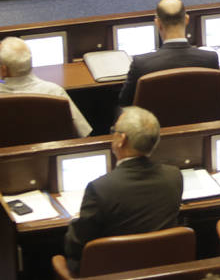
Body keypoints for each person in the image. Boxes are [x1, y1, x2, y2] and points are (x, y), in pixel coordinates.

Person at [62, 106, 182, 275]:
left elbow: (75, 246)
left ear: (121, 140)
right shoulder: (174, 176)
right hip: (159, 272)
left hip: (110, 273)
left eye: (114, 130)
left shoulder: (100, 188)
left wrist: (75, 221)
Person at [0, 36, 89, 135]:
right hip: (47, 155)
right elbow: (82, 130)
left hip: (1, 159)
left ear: (3, 69)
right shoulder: (54, 92)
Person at [118, 0, 218, 106]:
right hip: (202, 122)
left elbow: (125, 103)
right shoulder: (210, 59)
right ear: (187, 19)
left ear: (158, 23)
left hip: (155, 123)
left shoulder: (141, 64)